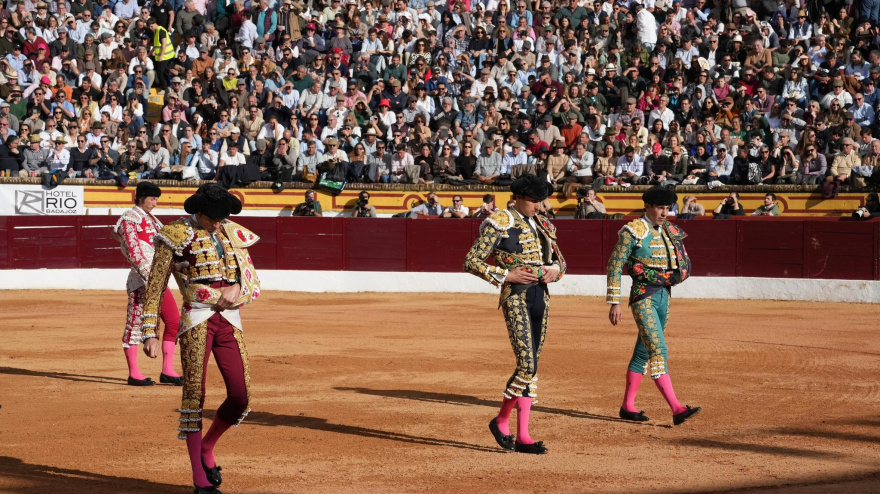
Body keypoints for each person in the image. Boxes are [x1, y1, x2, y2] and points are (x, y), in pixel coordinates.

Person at [139, 183, 261, 493]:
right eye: (214, 219)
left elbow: (251, 278)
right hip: (196, 319)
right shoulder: (174, 234)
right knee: (194, 396)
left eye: (223, 218)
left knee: (241, 396)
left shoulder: (230, 231)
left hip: (229, 319)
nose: (220, 224)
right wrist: (150, 331)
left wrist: (237, 289)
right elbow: (155, 285)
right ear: (199, 213)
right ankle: (199, 479)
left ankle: (208, 447)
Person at [464, 174, 566, 455]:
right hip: (516, 298)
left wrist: (555, 271)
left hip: (541, 298)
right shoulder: (500, 221)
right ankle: (501, 420)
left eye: (540, 199)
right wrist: (505, 275)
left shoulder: (545, 224)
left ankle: (523, 435)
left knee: (532, 369)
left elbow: (561, 261)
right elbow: (471, 261)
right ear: (519, 198)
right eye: (533, 200)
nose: (538, 205)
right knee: (527, 366)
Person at [607, 187, 700, 426]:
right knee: (659, 351)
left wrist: (675, 277)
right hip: (643, 297)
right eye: (660, 207)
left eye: (667, 208)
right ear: (647, 206)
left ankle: (628, 406)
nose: (664, 213)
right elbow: (615, 266)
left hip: (664, 296)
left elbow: (684, 262)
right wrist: (614, 302)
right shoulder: (633, 231)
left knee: (644, 351)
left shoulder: (670, 230)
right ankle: (677, 408)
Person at [111, 181, 182, 387]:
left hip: (157, 280)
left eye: (156, 199)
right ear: (141, 198)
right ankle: (134, 373)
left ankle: (167, 370)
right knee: (134, 325)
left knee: (174, 320)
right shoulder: (129, 219)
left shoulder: (153, 220)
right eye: (152, 199)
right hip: (140, 282)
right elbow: (134, 252)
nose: (155, 203)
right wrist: (151, 279)